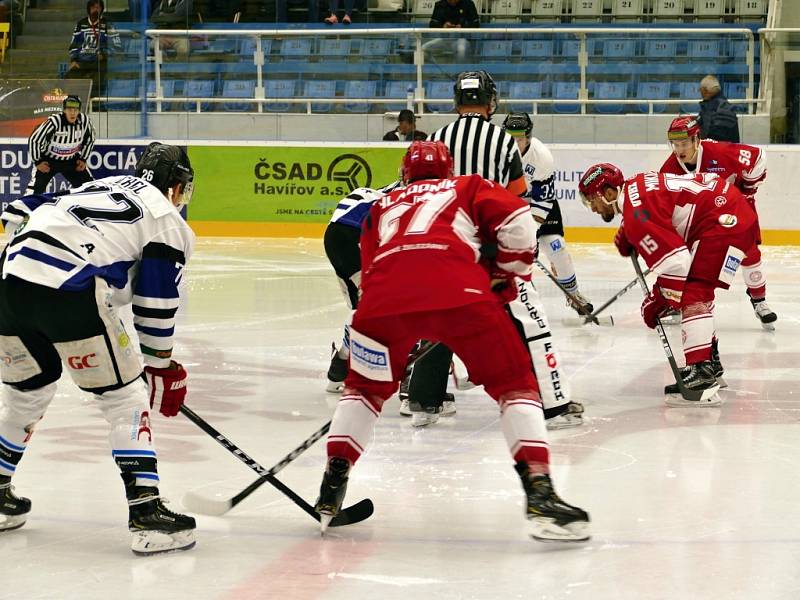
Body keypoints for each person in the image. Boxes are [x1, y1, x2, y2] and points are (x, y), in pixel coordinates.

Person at [314, 141, 590, 542]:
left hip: (383, 301)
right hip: (460, 292)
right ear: (448, 169)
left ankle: (331, 487)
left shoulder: (384, 204)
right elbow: (517, 218)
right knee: (516, 386)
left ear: (404, 173)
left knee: (362, 393)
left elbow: (371, 263)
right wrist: (506, 270)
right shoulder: (468, 186)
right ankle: (540, 494)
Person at [0, 143, 197, 555]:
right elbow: (155, 299)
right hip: (69, 289)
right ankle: (147, 515)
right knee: (125, 398)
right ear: (176, 186)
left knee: (26, 392)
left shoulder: (97, 185)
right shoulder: (165, 217)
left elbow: (22, 206)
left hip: (7, 282)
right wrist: (160, 364)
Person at [408, 71, 581, 429]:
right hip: (489, 248)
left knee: (440, 318)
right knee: (526, 321)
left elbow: (418, 193)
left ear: (457, 102)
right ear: (491, 102)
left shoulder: (438, 137)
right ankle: (549, 405)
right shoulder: (503, 142)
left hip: (444, 247)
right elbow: (517, 198)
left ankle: (424, 401)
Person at [578, 164, 759, 406]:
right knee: (698, 291)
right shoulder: (635, 183)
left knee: (695, 291)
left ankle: (701, 376)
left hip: (724, 224)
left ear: (609, 194)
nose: (592, 208)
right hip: (731, 214)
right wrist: (629, 231)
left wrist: (659, 301)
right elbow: (654, 207)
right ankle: (709, 364)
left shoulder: (634, 216)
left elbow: (677, 263)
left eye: (592, 200)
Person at [659, 115, 775, 329]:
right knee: (684, 257)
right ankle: (677, 302)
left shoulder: (720, 153)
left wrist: (747, 189)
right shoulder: (669, 169)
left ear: (697, 140)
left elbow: (758, 157)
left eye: (684, 143)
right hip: (701, 218)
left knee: (749, 252)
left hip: (734, 209)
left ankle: (759, 301)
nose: (679, 150)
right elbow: (664, 204)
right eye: (675, 144)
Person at [502, 112, 593, 316]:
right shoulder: (496, 152)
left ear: (528, 137)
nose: (515, 144)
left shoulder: (541, 156)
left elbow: (543, 200)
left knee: (557, 248)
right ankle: (515, 299)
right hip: (509, 206)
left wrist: (531, 234)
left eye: (520, 139)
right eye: (511, 138)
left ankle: (573, 294)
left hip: (538, 206)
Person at [324, 181, 404, 393]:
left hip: (335, 236)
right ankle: (406, 375)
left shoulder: (391, 189)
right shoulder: (417, 194)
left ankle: (339, 366)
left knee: (362, 307)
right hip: (355, 238)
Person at [26, 95, 96, 195]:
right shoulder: (54, 121)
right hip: (49, 160)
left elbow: (90, 139)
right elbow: (35, 139)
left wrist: (83, 158)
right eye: (69, 109)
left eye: (76, 110)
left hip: (71, 161)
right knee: (34, 192)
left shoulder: (84, 121)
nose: (72, 113)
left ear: (79, 110)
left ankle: (87, 210)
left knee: (90, 189)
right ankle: (25, 210)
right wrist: (38, 161)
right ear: (64, 110)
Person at [65, 0, 121, 95]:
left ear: (102, 9)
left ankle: (91, 106)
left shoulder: (108, 24)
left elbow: (116, 45)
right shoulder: (81, 24)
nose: (95, 10)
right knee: (68, 79)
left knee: (95, 86)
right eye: (93, 7)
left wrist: (104, 54)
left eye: (98, 7)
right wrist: (74, 60)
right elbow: (74, 44)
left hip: (99, 63)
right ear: (89, 9)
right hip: (81, 61)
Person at [698, 75, 740, 143]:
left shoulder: (708, 108)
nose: (700, 93)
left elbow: (704, 135)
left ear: (705, 91)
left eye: (700, 90)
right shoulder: (728, 106)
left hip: (714, 150)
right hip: (730, 149)